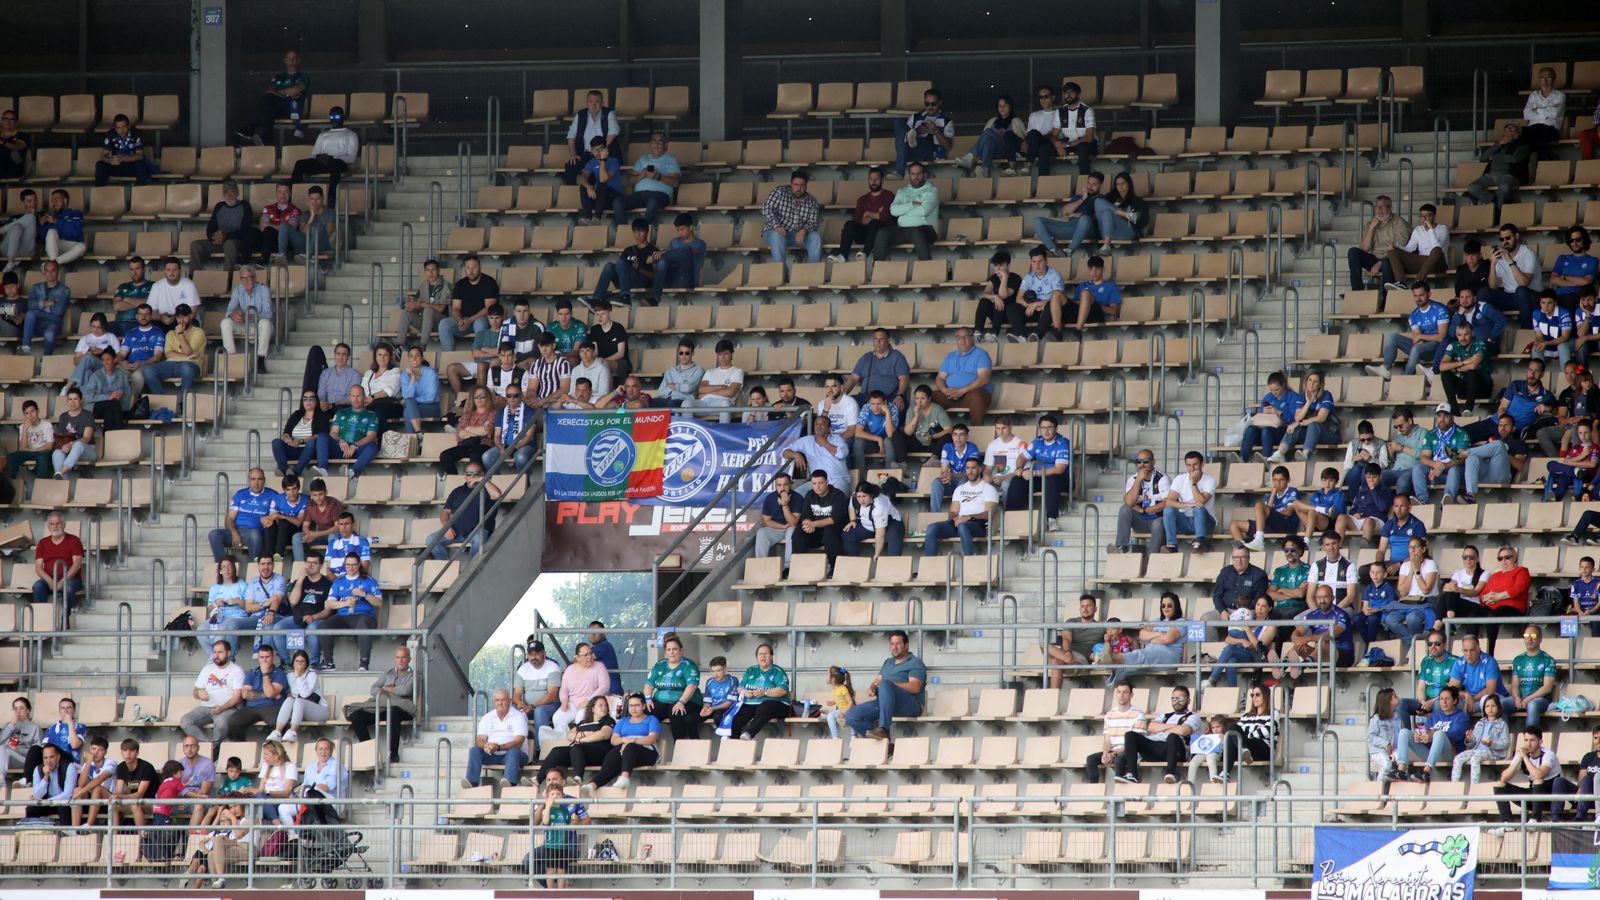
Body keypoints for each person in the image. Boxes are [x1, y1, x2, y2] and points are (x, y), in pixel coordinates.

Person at [1117, 685, 1203, 785]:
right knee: (1130, 735)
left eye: (1181, 698)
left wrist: (1163, 727)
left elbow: (1183, 730)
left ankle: (1170, 773)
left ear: (1188, 700)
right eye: (1174, 698)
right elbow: (1151, 727)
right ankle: (1133, 775)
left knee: (1173, 736)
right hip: (1156, 747)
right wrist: (1174, 727)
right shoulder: (1165, 715)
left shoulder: (1193, 716)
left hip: (1176, 750)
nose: (1177, 701)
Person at [309, 552, 381, 671]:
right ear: (344, 565)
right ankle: (329, 663)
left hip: (363, 615)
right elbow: (328, 604)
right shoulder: (339, 581)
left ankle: (364, 663)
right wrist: (345, 604)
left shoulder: (368, 580)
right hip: (343, 616)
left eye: (353, 565)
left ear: (359, 565)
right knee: (323, 626)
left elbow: (379, 603)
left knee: (363, 625)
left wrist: (364, 594)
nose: (351, 568)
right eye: (348, 565)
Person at [1367, 282, 1450, 380]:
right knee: (1393, 337)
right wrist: (1420, 339)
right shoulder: (1414, 315)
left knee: (1417, 348)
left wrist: (1420, 338)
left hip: (1438, 348)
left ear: (1429, 294)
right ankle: (1385, 369)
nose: (1418, 299)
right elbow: (1417, 337)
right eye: (1415, 296)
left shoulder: (1440, 309)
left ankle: (1405, 378)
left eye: (1421, 295)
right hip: (1423, 347)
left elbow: (1442, 337)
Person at [348, 646, 417, 763]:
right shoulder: (388, 674)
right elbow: (373, 689)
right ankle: (369, 753)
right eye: (398, 657)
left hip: (403, 709)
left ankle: (393, 754)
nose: (400, 660)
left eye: (404, 658)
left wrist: (387, 690)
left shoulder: (414, 675)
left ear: (409, 659)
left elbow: (406, 690)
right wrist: (387, 690)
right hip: (384, 707)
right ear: (395, 659)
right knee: (357, 716)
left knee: (393, 712)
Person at [578, 693, 658, 794]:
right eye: (631, 706)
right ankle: (593, 785)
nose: (634, 708)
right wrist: (625, 741)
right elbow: (614, 740)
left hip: (647, 751)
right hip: (624, 750)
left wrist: (632, 741)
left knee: (630, 747)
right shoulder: (622, 721)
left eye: (637, 705)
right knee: (613, 753)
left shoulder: (651, 720)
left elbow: (652, 739)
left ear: (644, 706)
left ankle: (624, 777)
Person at [1494, 727, 1575, 823]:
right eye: (1526, 740)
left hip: (1550, 798)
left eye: (1532, 740)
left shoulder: (1548, 755)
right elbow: (1504, 777)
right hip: (1533, 796)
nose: (1528, 744)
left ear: (1540, 742)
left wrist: (1525, 757)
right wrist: (1519, 758)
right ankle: (1507, 823)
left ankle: (1535, 820)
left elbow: (1538, 774)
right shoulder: (1522, 754)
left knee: (1538, 781)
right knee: (1499, 784)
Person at [1104, 592, 1187, 685]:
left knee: (1141, 655)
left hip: (1169, 656)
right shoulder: (1157, 620)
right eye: (1163, 605)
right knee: (1131, 669)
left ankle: (1114, 657)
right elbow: (1142, 635)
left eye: (1169, 605)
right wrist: (1160, 634)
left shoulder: (1180, 622)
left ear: (1176, 606)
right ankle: (1114, 670)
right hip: (1151, 653)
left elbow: (1168, 639)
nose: (1166, 608)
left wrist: (1151, 637)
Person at [1390, 685, 1469, 781]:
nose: (1444, 702)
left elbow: (1456, 735)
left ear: (1455, 701)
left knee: (1439, 734)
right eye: (1441, 699)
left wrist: (1433, 734)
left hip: (1449, 753)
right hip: (1430, 752)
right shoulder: (1434, 716)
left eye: (1447, 699)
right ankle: (1401, 771)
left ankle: (1426, 772)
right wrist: (1420, 737)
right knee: (1404, 732)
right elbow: (1426, 731)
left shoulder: (1462, 717)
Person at [923, 456, 998, 556]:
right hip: (959, 523)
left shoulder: (989, 489)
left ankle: (968, 561)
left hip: (978, 524)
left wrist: (969, 517)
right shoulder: (960, 489)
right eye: (967, 468)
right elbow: (953, 511)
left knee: (963, 526)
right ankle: (929, 565)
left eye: (973, 468)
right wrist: (953, 517)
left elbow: (989, 514)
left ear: (980, 469)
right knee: (932, 528)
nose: (970, 471)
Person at [537, 695, 614, 784]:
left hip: (598, 752)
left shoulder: (608, 720)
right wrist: (584, 734)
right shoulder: (583, 723)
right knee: (556, 751)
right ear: (592, 708)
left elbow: (603, 734)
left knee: (577, 747)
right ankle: (538, 780)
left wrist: (581, 740)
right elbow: (569, 735)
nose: (604, 708)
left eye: (605, 706)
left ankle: (578, 779)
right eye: (600, 705)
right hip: (578, 752)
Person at [291, 105, 358, 208]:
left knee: (335, 165)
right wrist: (319, 157)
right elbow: (314, 154)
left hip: (338, 163)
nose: (334, 120)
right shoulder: (323, 135)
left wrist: (333, 158)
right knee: (300, 163)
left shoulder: (351, 134)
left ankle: (331, 198)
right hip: (322, 162)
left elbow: (351, 157)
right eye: (332, 117)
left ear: (342, 117)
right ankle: (292, 193)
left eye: (337, 117)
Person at [871, 161, 939, 262]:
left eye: (919, 173)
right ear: (909, 175)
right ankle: (876, 270)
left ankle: (927, 269)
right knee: (883, 233)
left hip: (926, 229)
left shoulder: (932, 191)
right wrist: (912, 205)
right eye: (913, 174)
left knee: (916, 232)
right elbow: (893, 211)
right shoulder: (902, 191)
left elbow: (923, 211)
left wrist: (903, 212)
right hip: (903, 230)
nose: (916, 176)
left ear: (924, 175)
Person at [464, 689, 530, 788]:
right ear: (493, 702)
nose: (500, 703)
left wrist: (498, 747)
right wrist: (486, 745)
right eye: (497, 700)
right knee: (474, 750)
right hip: (492, 754)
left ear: (510, 701)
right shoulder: (487, 717)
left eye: (503, 700)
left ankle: (509, 782)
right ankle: (472, 782)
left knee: (513, 751)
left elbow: (518, 743)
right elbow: (479, 740)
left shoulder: (518, 717)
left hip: (515, 755)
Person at [1347, 195, 1409, 297]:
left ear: (1390, 208)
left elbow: (1401, 248)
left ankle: (1386, 300)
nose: (1379, 210)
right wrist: (1371, 228)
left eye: (1382, 207)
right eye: (1377, 207)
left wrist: (1380, 263)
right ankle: (1357, 292)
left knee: (1385, 262)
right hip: (1375, 258)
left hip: (1393, 260)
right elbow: (1364, 249)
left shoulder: (1399, 223)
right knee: (1353, 252)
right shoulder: (1371, 224)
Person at [1085, 681, 1145, 785]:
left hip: (1130, 752)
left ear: (1131, 695)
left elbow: (1135, 743)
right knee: (1091, 759)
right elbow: (1107, 740)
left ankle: (1120, 791)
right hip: (1113, 752)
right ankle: (1093, 790)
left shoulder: (1138, 714)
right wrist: (1105, 753)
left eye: (1125, 692)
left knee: (1119, 759)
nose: (1121, 695)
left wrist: (1114, 754)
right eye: (1119, 692)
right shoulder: (1109, 714)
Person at [1271, 369, 1337, 463]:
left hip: (1328, 433)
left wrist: (1300, 423)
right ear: (1305, 381)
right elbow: (1297, 417)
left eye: (1315, 381)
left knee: (1313, 424)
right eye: (1309, 380)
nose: (1311, 383)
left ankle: (1305, 454)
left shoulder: (1326, 395)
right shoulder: (1301, 397)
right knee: (1293, 428)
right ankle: (1280, 454)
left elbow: (1321, 418)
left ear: (1320, 384)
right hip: (1309, 435)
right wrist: (1308, 403)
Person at [1032, 171, 1104, 257]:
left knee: (1085, 219)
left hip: (1089, 230)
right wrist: (1083, 199)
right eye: (1089, 183)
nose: (1090, 186)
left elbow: (1098, 216)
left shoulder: (1103, 199)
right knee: (1038, 221)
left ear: (1100, 185)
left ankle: (1069, 251)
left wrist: (1078, 215)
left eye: (1094, 184)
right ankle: (1054, 251)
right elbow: (1066, 211)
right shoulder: (1078, 197)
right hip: (1070, 227)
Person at [830, 166, 895, 261]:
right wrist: (877, 214)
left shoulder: (889, 195)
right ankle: (842, 256)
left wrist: (868, 213)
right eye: (871, 179)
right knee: (849, 225)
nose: (873, 182)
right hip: (865, 234)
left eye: (876, 179)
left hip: (881, 235)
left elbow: (886, 217)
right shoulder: (862, 199)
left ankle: (864, 253)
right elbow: (857, 219)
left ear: (882, 180)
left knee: (875, 223)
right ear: (868, 180)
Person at [931, 327, 993, 425]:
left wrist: (962, 391)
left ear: (972, 339)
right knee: (929, 396)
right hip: (951, 395)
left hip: (972, 394)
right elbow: (940, 378)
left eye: (966, 337)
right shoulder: (950, 356)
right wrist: (944, 390)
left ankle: (978, 432)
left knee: (976, 398)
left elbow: (983, 379)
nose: (962, 341)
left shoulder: (981, 354)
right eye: (959, 338)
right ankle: (936, 433)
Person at [1484, 223, 1541, 329]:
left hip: (1530, 296)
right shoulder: (1500, 256)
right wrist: (1493, 264)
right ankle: (1487, 334)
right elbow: (1493, 286)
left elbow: (1524, 283)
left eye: (1508, 238)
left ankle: (1526, 331)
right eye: (1502, 239)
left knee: (1520, 290)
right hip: (1509, 296)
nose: (1505, 242)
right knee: (1483, 293)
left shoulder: (1528, 254)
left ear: (1517, 236)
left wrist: (1510, 260)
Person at [189, 181, 256, 271]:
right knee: (195, 245)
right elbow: (210, 227)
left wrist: (226, 236)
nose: (229, 194)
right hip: (220, 242)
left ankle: (228, 277)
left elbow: (246, 229)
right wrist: (214, 237)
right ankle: (193, 276)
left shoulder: (244, 206)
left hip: (238, 242)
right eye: (226, 192)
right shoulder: (219, 206)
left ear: (237, 192)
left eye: (231, 191)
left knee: (229, 244)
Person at [730, 643, 792, 740]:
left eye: (766, 654)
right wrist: (745, 692)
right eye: (760, 654)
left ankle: (749, 733)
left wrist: (765, 693)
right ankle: (735, 744)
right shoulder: (751, 670)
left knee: (765, 705)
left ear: (771, 656)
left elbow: (783, 690)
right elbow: (740, 687)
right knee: (737, 718)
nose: (763, 656)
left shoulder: (778, 671)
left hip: (777, 704)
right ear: (756, 657)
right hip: (752, 703)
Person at [223, 645, 286, 740]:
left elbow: (270, 693)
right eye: (261, 657)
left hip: (272, 706)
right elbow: (245, 694)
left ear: (272, 657)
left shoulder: (279, 673)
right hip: (252, 707)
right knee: (233, 721)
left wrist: (265, 674)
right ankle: (240, 748)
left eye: (267, 657)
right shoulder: (252, 673)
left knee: (278, 723)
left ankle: (275, 751)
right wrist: (266, 695)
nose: (264, 660)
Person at [761, 169, 823, 265]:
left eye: (802, 185)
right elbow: (766, 208)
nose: (799, 188)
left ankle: (814, 273)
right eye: (795, 184)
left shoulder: (812, 201)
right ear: (791, 184)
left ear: (806, 185)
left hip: (797, 235)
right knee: (777, 237)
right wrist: (777, 225)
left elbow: (813, 222)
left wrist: (803, 231)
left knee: (816, 237)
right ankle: (782, 275)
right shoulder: (779, 192)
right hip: (775, 231)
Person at [1233, 465, 1300, 553]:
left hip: (1286, 525)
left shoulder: (1292, 491)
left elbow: (1288, 512)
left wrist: (1272, 513)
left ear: (1288, 480)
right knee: (1234, 525)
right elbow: (1267, 512)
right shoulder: (1270, 496)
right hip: (1270, 525)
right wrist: (1272, 494)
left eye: (1281, 480)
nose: (1278, 483)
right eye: (1275, 480)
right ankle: (1241, 553)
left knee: (1259, 505)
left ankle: (1259, 540)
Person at [1410, 403, 1469, 504]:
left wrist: (1444, 466)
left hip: (1453, 467)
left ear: (1452, 417)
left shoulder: (1461, 433)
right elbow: (1423, 457)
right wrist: (1434, 464)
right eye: (1439, 415)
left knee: (1454, 471)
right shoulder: (1431, 434)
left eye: (1445, 415)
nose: (1442, 419)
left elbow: (1462, 458)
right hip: (1435, 467)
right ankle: (1422, 500)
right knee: (1418, 468)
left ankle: (1447, 500)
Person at [439, 255, 500, 351]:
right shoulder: (460, 284)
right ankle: (449, 356)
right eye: (468, 268)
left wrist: (470, 320)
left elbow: (489, 308)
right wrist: (459, 320)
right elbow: (455, 309)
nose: (471, 271)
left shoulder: (489, 282)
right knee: (444, 324)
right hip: (464, 320)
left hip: (482, 319)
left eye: (474, 267)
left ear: (479, 268)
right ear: (465, 269)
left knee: (479, 324)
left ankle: (481, 356)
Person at [1239, 371, 1303, 463]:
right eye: (1271, 390)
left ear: (1283, 385)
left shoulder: (1293, 397)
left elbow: (1295, 420)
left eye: (1276, 390)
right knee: (1250, 429)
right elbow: (1260, 420)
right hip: (1265, 432)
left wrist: (1280, 413)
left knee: (1267, 430)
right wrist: (1263, 413)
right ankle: (1243, 458)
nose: (1274, 393)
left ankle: (1266, 458)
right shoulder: (1268, 398)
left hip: (1283, 432)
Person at [32, 511, 85, 621]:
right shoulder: (42, 543)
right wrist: (50, 581)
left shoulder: (74, 540)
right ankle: (42, 621)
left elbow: (77, 565)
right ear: (48, 526)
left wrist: (61, 582)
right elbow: (38, 568)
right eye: (52, 524)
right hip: (49, 579)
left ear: (64, 524)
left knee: (69, 589)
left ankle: (65, 619)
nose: (55, 527)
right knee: (37, 586)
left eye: (58, 523)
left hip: (70, 579)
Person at [1161, 451, 1218, 552]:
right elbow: (1168, 502)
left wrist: (1193, 483)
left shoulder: (1210, 480)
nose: (1192, 468)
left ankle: (1200, 541)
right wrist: (1188, 505)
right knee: (1168, 510)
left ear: (1202, 464)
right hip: (1185, 521)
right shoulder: (1179, 479)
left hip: (1205, 522)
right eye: (1188, 465)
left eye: (1195, 464)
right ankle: (1171, 545)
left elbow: (1201, 501)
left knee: (1198, 508)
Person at [955, 94, 1026, 176]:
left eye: (1005, 105)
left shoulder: (1016, 121)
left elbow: (1021, 143)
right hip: (993, 151)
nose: (1002, 108)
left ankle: (970, 156)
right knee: (988, 141)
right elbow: (983, 140)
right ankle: (985, 169)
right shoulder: (992, 121)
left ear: (1010, 107)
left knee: (989, 132)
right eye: (1000, 106)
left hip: (1006, 152)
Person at [561, 90, 621, 186]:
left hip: (604, 154)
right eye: (591, 101)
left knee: (595, 171)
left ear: (602, 103)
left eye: (597, 101)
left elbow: (614, 131)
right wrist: (573, 154)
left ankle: (591, 190)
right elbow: (571, 136)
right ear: (587, 103)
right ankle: (574, 192)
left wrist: (601, 150)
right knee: (571, 165)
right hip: (586, 154)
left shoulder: (609, 113)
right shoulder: (581, 115)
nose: (593, 104)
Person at [549, 642, 610, 735]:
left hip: (591, 704)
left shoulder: (599, 666)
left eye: (591, 653)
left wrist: (589, 701)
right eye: (586, 655)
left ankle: (578, 742)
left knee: (580, 718)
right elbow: (564, 689)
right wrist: (564, 701)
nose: (589, 657)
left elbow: (604, 687)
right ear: (577, 658)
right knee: (557, 718)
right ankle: (564, 742)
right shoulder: (569, 669)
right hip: (572, 704)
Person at [793, 469, 850, 568]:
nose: (817, 487)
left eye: (820, 483)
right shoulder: (809, 495)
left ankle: (835, 567)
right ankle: (798, 566)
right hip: (815, 532)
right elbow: (806, 516)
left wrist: (813, 524)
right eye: (814, 483)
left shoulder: (837, 495)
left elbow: (834, 519)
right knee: (799, 531)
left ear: (827, 482)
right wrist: (807, 524)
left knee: (829, 531)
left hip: (834, 530)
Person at [1539, 364, 1600, 458]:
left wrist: (1584, 420)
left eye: (1572, 372)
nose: (1569, 376)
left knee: (1576, 430)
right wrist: (1571, 421)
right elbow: (1561, 419)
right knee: (1542, 433)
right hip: (1571, 423)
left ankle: (1578, 459)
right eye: (1566, 373)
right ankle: (1559, 462)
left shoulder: (1592, 390)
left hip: (1586, 424)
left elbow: (1594, 412)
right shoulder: (1566, 393)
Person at [892, 87, 954, 178]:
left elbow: (948, 147)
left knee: (915, 139)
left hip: (931, 153)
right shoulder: (916, 117)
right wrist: (917, 131)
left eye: (933, 104)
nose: (930, 107)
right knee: (899, 122)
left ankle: (899, 171)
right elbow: (901, 137)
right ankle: (912, 137)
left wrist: (936, 131)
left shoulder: (946, 121)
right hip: (912, 151)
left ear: (939, 103)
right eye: (927, 104)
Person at [268, 650, 329, 743]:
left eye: (302, 662)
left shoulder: (312, 675)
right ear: (293, 663)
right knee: (289, 700)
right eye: (297, 661)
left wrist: (299, 676)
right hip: (299, 711)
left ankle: (293, 732)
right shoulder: (289, 676)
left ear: (306, 664)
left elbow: (305, 695)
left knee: (299, 700)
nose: (299, 664)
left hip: (319, 710)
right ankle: (277, 732)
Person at [221, 267, 273, 375]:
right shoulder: (237, 290)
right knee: (225, 323)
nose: (247, 281)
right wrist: (233, 315)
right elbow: (228, 312)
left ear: (255, 278)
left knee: (265, 323)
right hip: (244, 326)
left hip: (260, 327)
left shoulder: (264, 290)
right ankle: (231, 358)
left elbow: (268, 314)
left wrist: (248, 317)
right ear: (240, 280)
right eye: (244, 278)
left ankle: (260, 359)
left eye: (249, 278)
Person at [844, 328, 911, 410]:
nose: (878, 342)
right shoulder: (866, 357)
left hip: (887, 398)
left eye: (881, 339)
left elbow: (904, 378)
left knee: (898, 406)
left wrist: (900, 396)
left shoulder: (897, 357)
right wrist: (843, 395)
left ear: (888, 340)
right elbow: (853, 378)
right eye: (875, 339)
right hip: (866, 397)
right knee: (848, 403)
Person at [514, 638, 563, 746]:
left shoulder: (553, 667)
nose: (533, 657)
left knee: (539, 712)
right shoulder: (523, 669)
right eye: (531, 654)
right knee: (513, 711)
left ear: (544, 654)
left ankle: (540, 750)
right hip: (528, 706)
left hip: (550, 705)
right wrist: (520, 703)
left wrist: (533, 706)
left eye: (537, 654)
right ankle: (517, 749)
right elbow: (517, 693)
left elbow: (551, 695)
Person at [1451, 695, 1511, 785]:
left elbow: (1505, 743)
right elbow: (1472, 744)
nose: (1490, 709)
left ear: (1498, 708)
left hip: (1491, 753)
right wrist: (1469, 739)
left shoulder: (1502, 724)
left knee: (1475, 758)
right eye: (1487, 706)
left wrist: (1491, 743)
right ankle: (1454, 786)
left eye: (1493, 706)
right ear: (1484, 709)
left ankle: (1474, 787)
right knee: (1458, 758)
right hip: (1476, 750)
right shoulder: (1479, 724)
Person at [783, 416, 851, 495]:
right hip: (816, 483)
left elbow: (842, 454)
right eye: (816, 424)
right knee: (796, 496)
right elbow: (784, 452)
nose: (819, 426)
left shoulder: (837, 440)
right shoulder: (806, 441)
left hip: (838, 481)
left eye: (822, 424)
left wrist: (824, 443)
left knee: (835, 497)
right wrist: (795, 454)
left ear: (829, 429)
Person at [622, 132, 680, 225]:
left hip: (660, 195)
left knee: (653, 201)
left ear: (665, 145)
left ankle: (644, 229)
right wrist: (642, 174)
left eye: (660, 142)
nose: (656, 145)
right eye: (654, 141)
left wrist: (658, 177)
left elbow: (675, 182)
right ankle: (621, 231)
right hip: (640, 195)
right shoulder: (642, 159)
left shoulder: (671, 160)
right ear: (650, 144)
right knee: (618, 202)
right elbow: (629, 181)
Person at [1386, 203, 1449, 288]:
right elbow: (1409, 248)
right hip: (1422, 262)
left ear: (1434, 216)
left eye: (1427, 216)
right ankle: (1401, 283)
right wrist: (1396, 246)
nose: (1424, 219)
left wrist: (1430, 229)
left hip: (1437, 263)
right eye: (1421, 216)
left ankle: (1418, 281)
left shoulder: (1442, 228)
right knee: (1392, 251)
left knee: (1437, 249)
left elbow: (1436, 246)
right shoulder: (1418, 230)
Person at [1507, 626, 1558, 730]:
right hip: (1520, 698)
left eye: (1533, 636)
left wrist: (1528, 699)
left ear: (1540, 639)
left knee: (1532, 705)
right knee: (1500, 705)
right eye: (1526, 636)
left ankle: (1530, 740)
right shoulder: (1518, 659)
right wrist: (1516, 697)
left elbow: (1547, 687)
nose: (1529, 639)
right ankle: (1501, 738)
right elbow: (1515, 685)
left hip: (1540, 700)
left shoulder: (1548, 660)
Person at [1088, 171, 1149, 257]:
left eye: (1123, 184)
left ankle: (1106, 246)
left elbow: (1142, 222)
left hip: (1126, 232)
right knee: (1099, 203)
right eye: (1117, 184)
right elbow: (1093, 209)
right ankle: (1126, 214)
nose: (1120, 187)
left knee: (1107, 212)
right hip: (1106, 231)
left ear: (1129, 184)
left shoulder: (1138, 202)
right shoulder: (1109, 198)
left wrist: (1120, 217)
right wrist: (1121, 213)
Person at [649, 213, 707, 303]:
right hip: (671, 279)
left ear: (691, 227)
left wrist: (661, 255)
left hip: (687, 279)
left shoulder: (700, 243)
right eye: (678, 230)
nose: (680, 232)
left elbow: (693, 254)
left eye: (682, 229)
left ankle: (660, 256)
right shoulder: (674, 242)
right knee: (663, 261)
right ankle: (655, 297)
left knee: (686, 249)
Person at [1438, 322, 1493, 415]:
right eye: (1460, 335)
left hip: (1483, 388)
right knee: (1445, 374)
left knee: (1472, 372)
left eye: (1466, 334)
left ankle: (1468, 409)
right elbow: (1442, 366)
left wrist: (1455, 369)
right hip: (1466, 388)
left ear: (1472, 333)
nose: (1462, 338)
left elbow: (1473, 366)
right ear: (1456, 335)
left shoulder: (1479, 343)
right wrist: (1463, 362)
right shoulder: (1454, 345)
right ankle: (1454, 410)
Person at [684, 338, 744, 422]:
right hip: (705, 404)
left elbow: (730, 392)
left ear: (732, 354)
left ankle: (723, 433)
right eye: (720, 354)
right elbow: (701, 390)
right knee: (686, 404)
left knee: (725, 404)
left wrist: (708, 392)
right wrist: (722, 387)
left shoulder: (737, 371)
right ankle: (689, 433)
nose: (722, 357)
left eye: (726, 354)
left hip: (722, 403)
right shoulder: (710, 371)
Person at [483, 386, 538, 473]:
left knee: (521, 458)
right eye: (509, 396)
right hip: (505, 445)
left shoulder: (529, 411)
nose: (512, 398)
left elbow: (529, 436)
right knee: (486, 457)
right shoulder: (501, 412)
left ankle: (524, 484)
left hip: (524, 445)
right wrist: (501, 449)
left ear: (521, 396)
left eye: (515, 395)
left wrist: (513, 449)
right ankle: (497, 483)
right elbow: (497, 435)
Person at [21, 258, 70, 354]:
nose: (50, 273)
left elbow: (59, 310)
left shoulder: (65, 290)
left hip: (53, 324)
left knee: (49, 334)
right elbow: (30, 305)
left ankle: (46, 360)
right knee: (30, 313)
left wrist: (39, 306)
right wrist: (45, 303)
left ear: (57, 272)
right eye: (47, 271)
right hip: (37, 324)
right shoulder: (36, 287)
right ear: (44, 273)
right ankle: (25, 348)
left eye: (53, 270)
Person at [848, 390, 901, 480]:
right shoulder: (866, 408)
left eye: (879, 404)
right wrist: (878, 439)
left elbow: (891, 434)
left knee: (888, 441)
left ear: (885, 402)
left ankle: (889, 480)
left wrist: (888, 413)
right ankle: (859, 480)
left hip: (887, 441)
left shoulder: (892, 408)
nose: (875, 407)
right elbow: (858, 432)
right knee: (858, 442)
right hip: (871, 440)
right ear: (869, 403)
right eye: (873, 404)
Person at [1544, 417, 1599, 502]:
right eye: (1580, 433)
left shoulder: (1594, 447)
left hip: (1586, 475)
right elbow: (1565, 462)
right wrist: (1581, 456)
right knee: (1550, 464)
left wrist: (1572, 463)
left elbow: (1593, 464)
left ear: (1591, 432)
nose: (1583, 436)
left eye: (1586, 433)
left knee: (1566, 473)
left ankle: (1575, 472)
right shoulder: (1575, 448)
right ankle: (1556, 497)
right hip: (1573, 474)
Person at [1448, 634, 1504, 718]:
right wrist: (1466, 695)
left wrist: (1472, 699)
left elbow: (1491, 690)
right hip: (1469, 699)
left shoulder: (1489, 661)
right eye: (1465, 651)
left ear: (1479, 649)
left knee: (1486, 702)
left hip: (1492, 697)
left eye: (1472, 650)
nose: (1468, 654)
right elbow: (1452, 690)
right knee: (1448, 701)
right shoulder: (1459, 663)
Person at [401, 259, 451, 348]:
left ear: (438, 271)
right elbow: (416, 304)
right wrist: (411, 305)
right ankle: (399, 343)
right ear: (425, 272)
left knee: (428, 310)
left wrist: (421, 304)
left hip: (441, 321)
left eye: (433, 270)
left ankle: (422, 345)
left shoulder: (446, 285)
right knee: (406, 314)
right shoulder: (423, 285)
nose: (430, 273)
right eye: (428, 270)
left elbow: (441, 309)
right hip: (426, 323)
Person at [25, 744, 77, 826]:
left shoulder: (69, 767)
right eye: (45, 758)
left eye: (51, 757)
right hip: (48, 803)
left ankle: (67, 835)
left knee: (63, 807)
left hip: (63, 802)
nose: (48, 761)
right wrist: (45, 777)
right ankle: (33, 834)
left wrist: (48, 801)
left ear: (58, 757)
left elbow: (67, 795)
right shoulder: (38, 769)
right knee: (31, 809)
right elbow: (37, 795)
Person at [94, 113, 153, 185]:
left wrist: (122, 158)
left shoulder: (135, 134)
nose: (122, 130)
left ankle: (139, 192)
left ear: (128, 126)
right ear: (115, 128)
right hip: (116, 165)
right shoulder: (111, 134)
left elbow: (139, 155)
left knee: (141, 165)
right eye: (118, 128)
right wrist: (110, 160)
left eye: (124, 127)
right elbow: (103, 155)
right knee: (100, 165)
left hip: (131, 165)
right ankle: (100, 191)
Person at [576, 136, 625, 224]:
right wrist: (588, 187)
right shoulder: (592, 162)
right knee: (584, 187)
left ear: (606, 149)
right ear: (591, 151)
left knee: (601, 185)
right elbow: (579, 178)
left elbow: (604, 179)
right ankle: (587, 217)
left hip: (614, 198)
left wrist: (603, 159)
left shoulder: (614, 161)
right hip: (600, 199)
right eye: (595, 150)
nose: (598, 153)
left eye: (600, 149)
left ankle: (597, 218)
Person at [754, 471, 801, 562]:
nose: (782, 488)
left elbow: (793, 523)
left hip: (792, 528)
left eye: (785, 485)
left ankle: (788, 566)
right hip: (777, 528)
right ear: (775, 486)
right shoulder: (770, 498)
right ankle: (760, 564)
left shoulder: (797, 498)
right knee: (761, 532)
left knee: (791, 531)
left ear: (790, 484)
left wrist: (785, 505)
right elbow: (766, 521)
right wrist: (782, 526)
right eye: (779, 485)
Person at [1521, 66, 1566, 160]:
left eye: (1548, 78)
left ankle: (1543, 166)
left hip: (1550, 128)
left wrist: (1537, 110)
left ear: (1554, 79)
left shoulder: (1560, 96)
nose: (1545, 81)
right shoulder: (1533, 95)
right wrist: (1547, 112)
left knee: (1542, 138)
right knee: (1521, 137)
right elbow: (1526, 114)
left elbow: (1555, 113)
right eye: (1542, 78)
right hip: (1533, 128)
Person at [1376, 494, 1427, 576]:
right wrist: (1379, 566)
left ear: (1409, 508)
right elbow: (1381, 551)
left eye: (1402, 506)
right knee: (1363, 571)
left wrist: (1400, 564)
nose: (1398, 510)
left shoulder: (1418, 525)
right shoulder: (1389, 524)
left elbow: (1419, 553)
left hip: (1411, 563)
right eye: (1396, 506)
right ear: (1393, 508)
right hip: (1392, 564)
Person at [7, 399, 54, 480]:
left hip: (43, 452)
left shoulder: (47, 425)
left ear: (38, 411)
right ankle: (10, 483)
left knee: (42, 458)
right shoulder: (23, 426)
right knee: (12, 457)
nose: (30, 415)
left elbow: (49, 446)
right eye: (27, 413)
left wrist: (34, 450)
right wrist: (25, 429)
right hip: (28, 452)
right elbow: (22, 448)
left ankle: (40, 486)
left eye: (32, 411)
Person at [39, 188, 86, 268]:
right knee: (51, 231)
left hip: (70, 246)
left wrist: (56, 221)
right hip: (55, 247)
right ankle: (54, 265)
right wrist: (42, 226)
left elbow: (75, 232)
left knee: (82, 247)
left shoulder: (75, 214)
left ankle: (52, 265)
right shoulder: (51, 217)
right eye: (52, 201)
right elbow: (44, 240)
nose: (54, 203)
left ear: (65, 200)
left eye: (56, 200)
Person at [286, 185, 334, 262]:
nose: (314, 202)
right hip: (307, 244)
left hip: (323, 244)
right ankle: (307, 256)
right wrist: (311, 217)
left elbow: (327, 234)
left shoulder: (330, 213)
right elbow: (303, 234)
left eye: (317, 199)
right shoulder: (305, 214)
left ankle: (308, 256)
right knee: (286, 227)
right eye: (312, 199)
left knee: (318, 226)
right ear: (309, 200)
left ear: (322, 199)